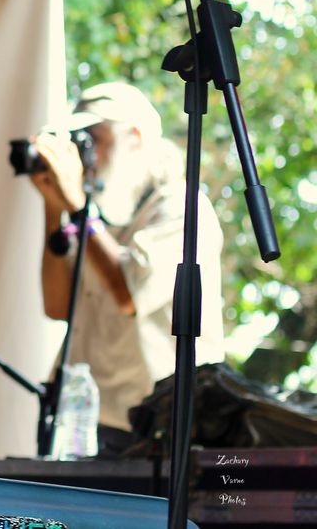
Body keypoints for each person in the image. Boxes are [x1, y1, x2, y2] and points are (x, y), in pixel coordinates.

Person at [30, 81, 226, 454]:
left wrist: (78, 209)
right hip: (86, 424)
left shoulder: (183, 209)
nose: (87, 154)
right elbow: (56, 305)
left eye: (95, 139)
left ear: (135, 137)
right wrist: (53, 207)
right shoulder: (98, 217)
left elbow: (128, 295)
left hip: (155, 428)